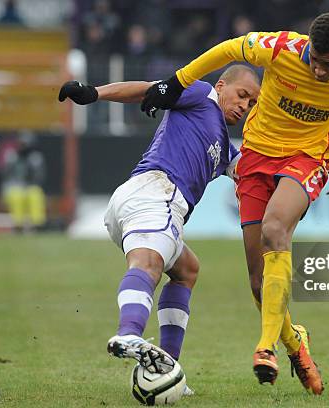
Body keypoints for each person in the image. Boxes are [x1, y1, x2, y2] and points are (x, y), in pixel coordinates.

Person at [140, 11, 329, 394]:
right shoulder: (280, 49)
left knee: (276, 229)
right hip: (257, 155)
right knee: (259, 281)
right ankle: (296, 344)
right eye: (314, 60)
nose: (319, 71)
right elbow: (228, 49)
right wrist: (177, 82)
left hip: (308, 156)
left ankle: (265, 347)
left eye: (328, 65)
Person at [58, 65, 260, 391]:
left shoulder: (225, 148)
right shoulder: (202, 93)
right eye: (242, 95)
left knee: (187, 269)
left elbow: (252, 175)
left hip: (145, 203)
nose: (245, 106)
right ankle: (128, 333)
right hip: (157, 194)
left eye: (252, 103)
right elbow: (148, 89)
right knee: (148, 265)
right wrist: (95, 93)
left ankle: (165, 366)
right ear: (222, 85)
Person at [0, 132, 47, 233]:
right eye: (23, 144)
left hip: (29, 186)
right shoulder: (12, 156)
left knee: (35, 193)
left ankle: (37, 224)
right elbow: (5, 174)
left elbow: (40, 178)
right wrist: (10, 162)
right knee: (16, 195)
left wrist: (35, 167)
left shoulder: (35, 158)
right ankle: (17, 225)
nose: (25, 147)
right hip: (13, 186)